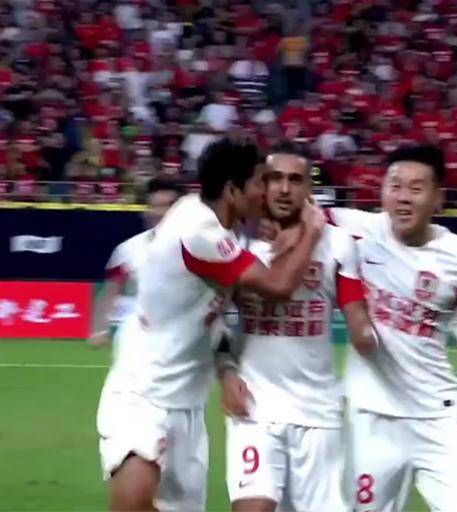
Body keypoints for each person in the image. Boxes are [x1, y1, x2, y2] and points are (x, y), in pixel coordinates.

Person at [96, 138, 325, 512]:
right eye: (260, 182)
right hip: (141, 392)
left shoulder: (214, 221)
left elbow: (216, 315)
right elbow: (279, 288)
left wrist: (227, 369)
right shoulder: (198, 231)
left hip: (188, 405)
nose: (267, 191)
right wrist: (311, 232)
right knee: (132, 503)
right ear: (233, 191)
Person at [326, 144, 457, 512]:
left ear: (437, 199)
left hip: (437, 417)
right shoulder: (356, 230)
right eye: (395, 186)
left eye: (416, 189)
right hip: (372, 416)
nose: (403, 197)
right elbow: (298, 210)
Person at [218, 142, 376, 512]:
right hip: (255, 406)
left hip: (317, 411)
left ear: (309, 188)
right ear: (261, 183)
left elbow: (359, 324)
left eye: (295, 180)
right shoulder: (236, 243)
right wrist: (225, 372)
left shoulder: (338, 244)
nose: (284, 189)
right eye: (275, 179)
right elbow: (215, 322)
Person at [89, 178, 182, 350]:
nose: (159, 212)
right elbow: (111, 292)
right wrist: (100, 330)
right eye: (154, 206)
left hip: (181, 338)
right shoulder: (128, 249)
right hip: (137, 340)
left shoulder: (199, 247)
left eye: (167, 206)